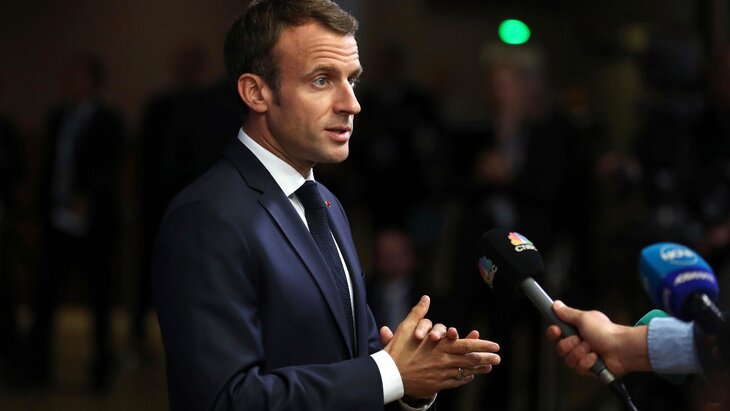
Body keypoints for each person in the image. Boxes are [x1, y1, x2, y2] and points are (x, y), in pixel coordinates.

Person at [151, 1, 501, 410]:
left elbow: (353, 359)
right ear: (256, 92)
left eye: (352, 80)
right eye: (321, 80)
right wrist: (391, 374)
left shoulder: (325, 203)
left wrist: (411, 382)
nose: (351, 103)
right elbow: (225, 400)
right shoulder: (207, 217)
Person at [29, 51, 124, 391]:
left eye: (78, 77)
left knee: (99, 297)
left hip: (94, 222)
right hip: (57, 219)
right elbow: (49, 165)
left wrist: (88, 197)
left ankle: (101, 369)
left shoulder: (108, 121)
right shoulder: (57, 117)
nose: (70, 83)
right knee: (44, 293)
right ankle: (37, 366)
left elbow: (110, 167)